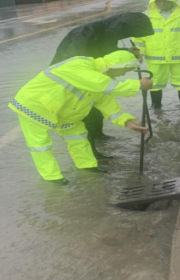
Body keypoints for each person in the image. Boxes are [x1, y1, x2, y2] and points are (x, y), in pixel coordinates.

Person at [9, 50, 152, 185]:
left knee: (78, 136)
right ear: (118, 65)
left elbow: (109, 106)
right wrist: (138, 84)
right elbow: (102, 84)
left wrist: (128, 122)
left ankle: (87, 166)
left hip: (66, 111)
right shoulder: (81, 64)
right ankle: (52, 177)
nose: (123, 74)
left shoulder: (101, 80)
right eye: (125, 70)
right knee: (40, 145)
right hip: (35, 106)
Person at [51, 12, 154, 159]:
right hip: (74, 78)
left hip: (94, 74)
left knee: (99, 104)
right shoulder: (87, 32)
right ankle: (90, 152)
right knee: (86, 112)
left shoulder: (113, 31)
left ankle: (98, 135)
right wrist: (136, 84)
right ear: (123, 27)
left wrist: (128, 52)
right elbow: (74, 60)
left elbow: (110, 50)